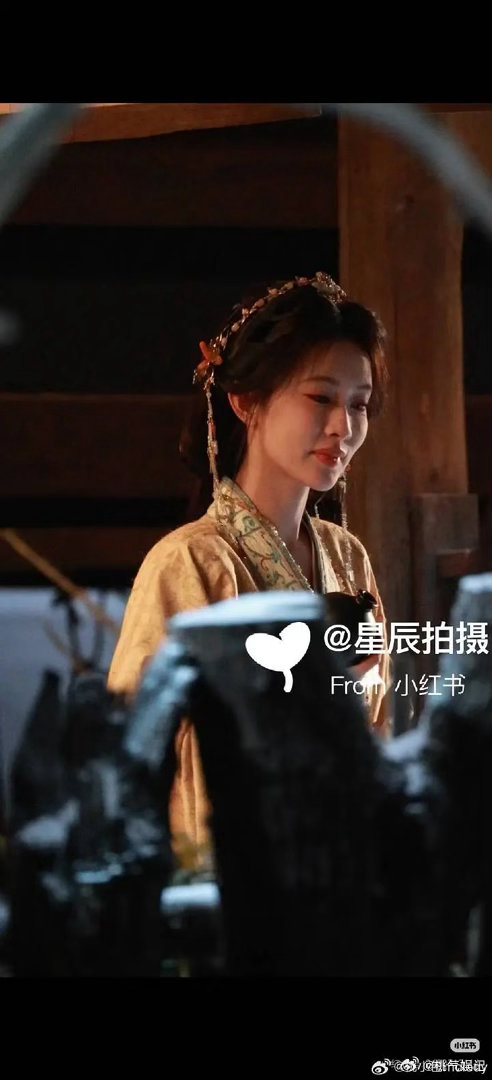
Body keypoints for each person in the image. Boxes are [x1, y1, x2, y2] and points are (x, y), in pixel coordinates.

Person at [108, 272, 391, 847]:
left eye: (359, 404)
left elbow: (378, 727)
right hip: (230, 867)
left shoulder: (347, 556)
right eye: (320, 398)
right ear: (246, 400)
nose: (343, 426)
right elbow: (135, 751)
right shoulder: (187, 563)